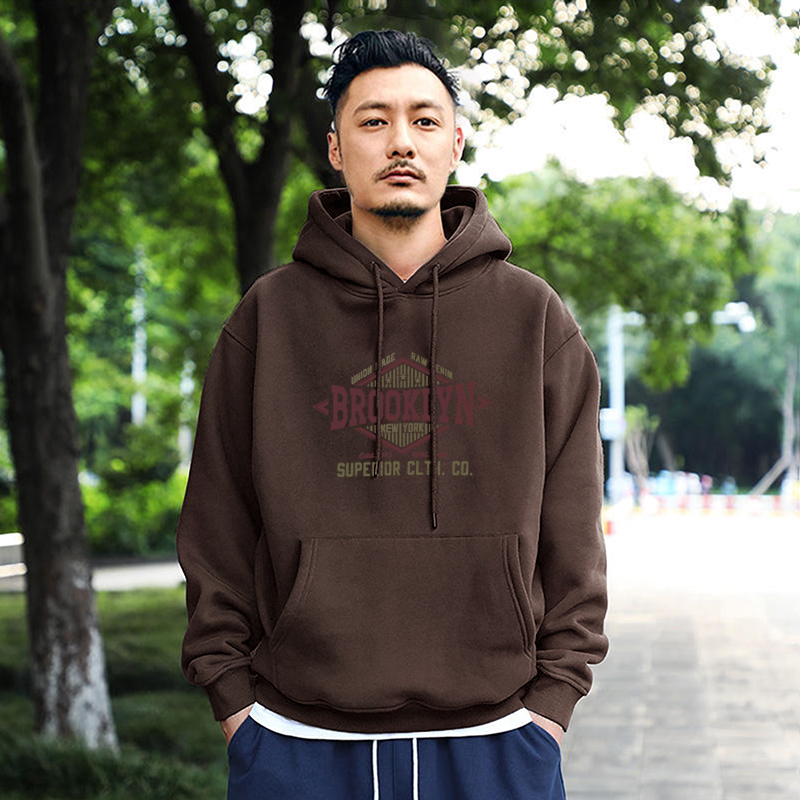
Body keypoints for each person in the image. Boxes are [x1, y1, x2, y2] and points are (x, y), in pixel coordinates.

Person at [177, 29, 608, 800]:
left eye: (424, 119)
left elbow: (575, 533)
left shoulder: (534, 319)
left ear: (455, 144)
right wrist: (234, 700)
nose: (401, 141)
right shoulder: (268, 319)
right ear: (336, 149)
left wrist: (553, 702)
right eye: (373, 121)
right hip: (295, 741)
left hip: (498, 739)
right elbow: (216, 526)